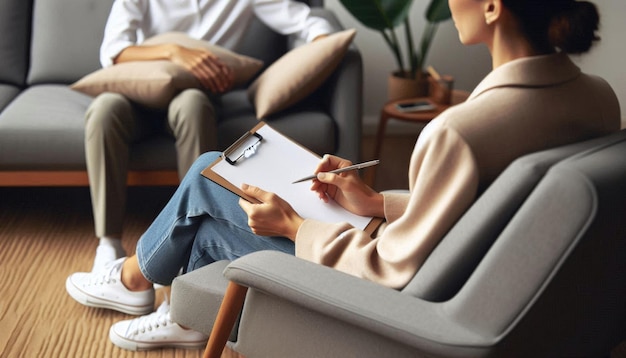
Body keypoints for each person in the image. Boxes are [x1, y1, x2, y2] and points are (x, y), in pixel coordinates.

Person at [67, 0, 621, 351]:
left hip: (397, 297)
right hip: (457, 264)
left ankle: (137, 281)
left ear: (494, 7)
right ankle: (167, 299)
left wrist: (291, 227)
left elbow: (386, 272)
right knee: (214, 186)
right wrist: (375, 203)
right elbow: (487, 208)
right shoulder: (597, 97)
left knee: (211, 173)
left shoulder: (460, 132)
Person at [84, 0, 334, 272]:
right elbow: (113, 51)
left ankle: (184, 243)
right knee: (104, 109)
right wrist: (174, 52)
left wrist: (320, 46)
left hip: (195, 93)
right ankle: (108, 243)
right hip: (138, 91)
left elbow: (310, 21)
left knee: (193, 104)